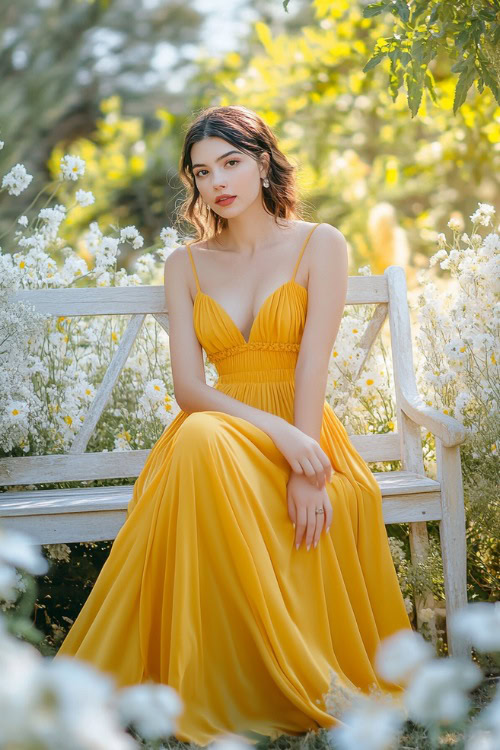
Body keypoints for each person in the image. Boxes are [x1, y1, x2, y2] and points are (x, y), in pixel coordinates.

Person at [55, 105, 413, 746]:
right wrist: (277, 435)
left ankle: (256, 681)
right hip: (220, 429)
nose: (217, 181)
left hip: (303, 426)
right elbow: (190, 390)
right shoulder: (184, 265)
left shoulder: (319, 243)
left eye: (231, 162)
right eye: (202, 172)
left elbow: (312, 366)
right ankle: (205, 687)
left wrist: (305, 465)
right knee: (198, 437)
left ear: (263, 162)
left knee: (209, 445)